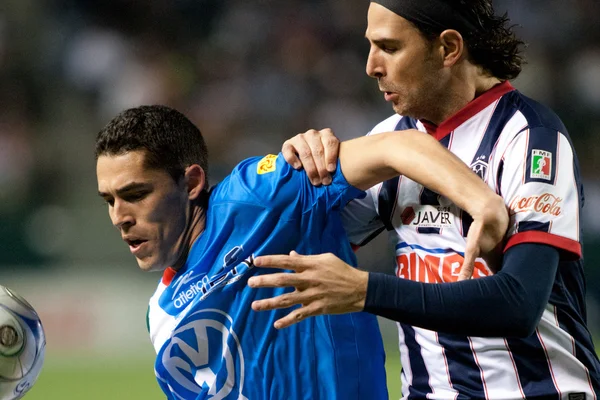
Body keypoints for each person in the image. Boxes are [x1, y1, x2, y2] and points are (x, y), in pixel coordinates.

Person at [248, 1, 600, 398]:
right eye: (370, 46)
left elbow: (518, 304)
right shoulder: (390, 140)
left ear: (448, 48)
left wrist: (367, 291)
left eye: (390, 48)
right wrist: (299, 163)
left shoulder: (530, 137)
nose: (371, 66)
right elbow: (295, 237)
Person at [95, 105, 507, 399]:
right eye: (109, 200)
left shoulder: (257, 197)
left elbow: (396, 147)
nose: (119, 217)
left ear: (191, 183)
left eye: (135, 194)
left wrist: (482, 202)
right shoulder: (161, 317)